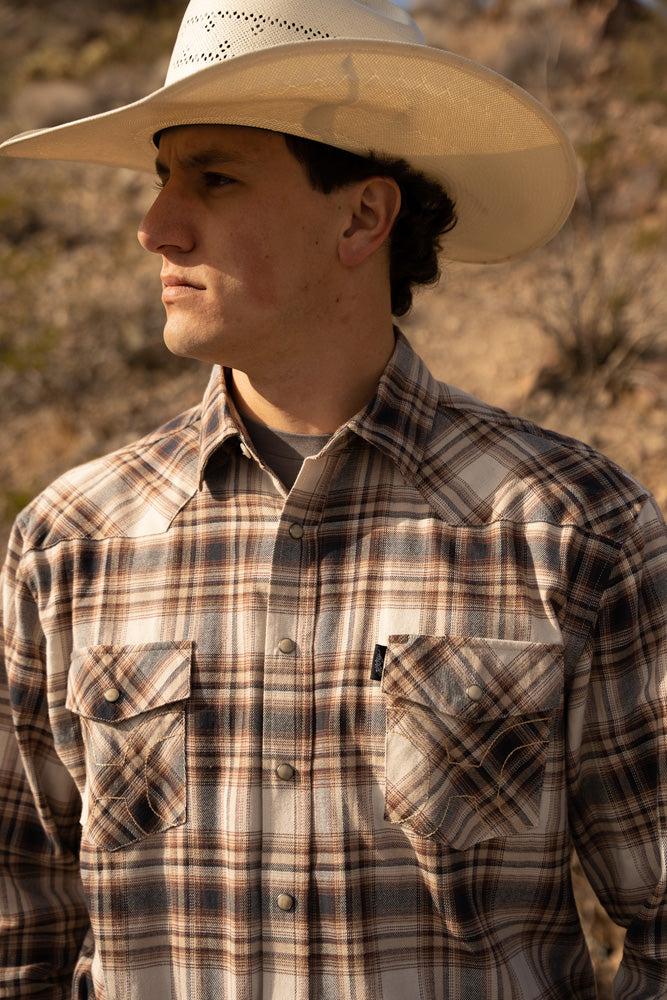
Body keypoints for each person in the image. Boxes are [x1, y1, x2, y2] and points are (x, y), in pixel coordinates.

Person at [1, 0, 666, 997]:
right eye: (161, 179)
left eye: (214, 177)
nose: (155, 226)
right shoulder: (69, 544)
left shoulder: (571, 527)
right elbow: (22, 942)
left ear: (362, 216)